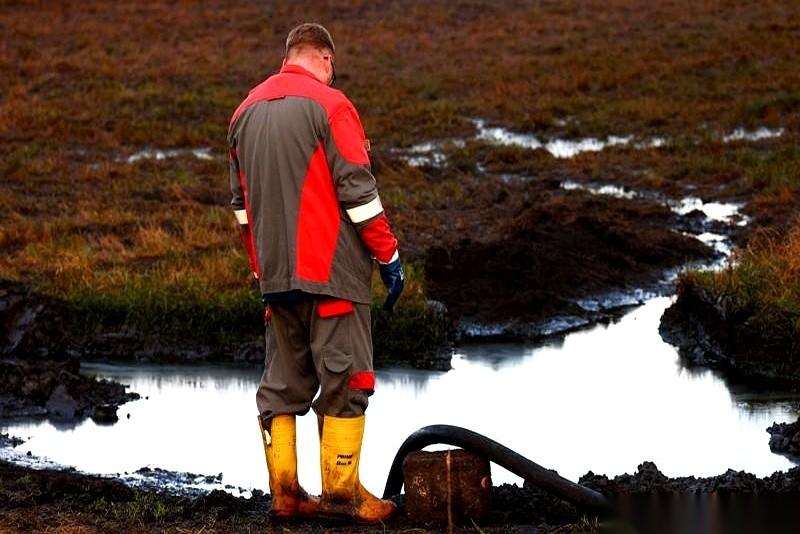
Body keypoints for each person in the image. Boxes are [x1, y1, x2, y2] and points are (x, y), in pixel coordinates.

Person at [228, 23, 404, 523]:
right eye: (333, 66)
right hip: (334, 278)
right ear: (324, 58)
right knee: (348, 380)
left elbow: (241, 208)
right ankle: (344, 496)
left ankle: (285, 494)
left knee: (281, 385)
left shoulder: (243, 112)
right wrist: (388, 258)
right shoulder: (332, 106)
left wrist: (262, 268)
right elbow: (359, 193)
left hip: (276, 280)